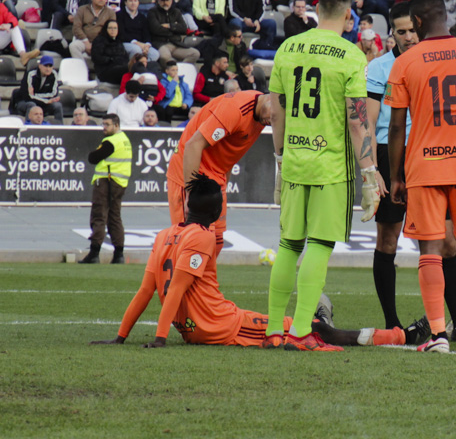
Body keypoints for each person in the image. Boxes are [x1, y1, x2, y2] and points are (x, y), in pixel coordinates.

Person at [91, 174, 419, 349]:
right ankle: (400, 336)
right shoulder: (202, 236)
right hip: (224, 325)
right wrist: (160, 339)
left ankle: (342, 320)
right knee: (312, 332)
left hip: (194, 332)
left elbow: (146, 291)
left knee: (312, 330)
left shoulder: (164, 235)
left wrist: (121, 337)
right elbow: (175, 290)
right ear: (217, 212)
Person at [265, 0, 381, 351]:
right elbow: (356, 122)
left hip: (295, 162)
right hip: (330, 167)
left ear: (316, 9)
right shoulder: (350, 56)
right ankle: (300, 333)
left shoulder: (287, 48)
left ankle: (272, 330)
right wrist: (368, 176)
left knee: (287, 244)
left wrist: (280, 162)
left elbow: (276, 113)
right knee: (318, 244)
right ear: (348, 15)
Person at [386, 0, 456, 354]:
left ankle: (438, 336)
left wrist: (397, 176)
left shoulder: (405, 61)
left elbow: (396, 127)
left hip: (424, 166)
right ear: (446, 17)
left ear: (416, 22)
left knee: (430, 249)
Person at [365, 2, 419, 330]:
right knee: (388, 238)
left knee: (447, 240)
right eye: (402, 31)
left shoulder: (432, 62)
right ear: (391, 35)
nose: (409, 37)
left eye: (413, 30)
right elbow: (368, 123)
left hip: (428, 152)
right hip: (388, 153)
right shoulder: (378, 68)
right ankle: (392, 322)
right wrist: (372, 169)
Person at [166, 90, 271, 251]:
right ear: (271, 98)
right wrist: (191, 193)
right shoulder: (236, 109)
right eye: (275, 115)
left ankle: (204, 277)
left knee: (215, 243)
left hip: (215, 180)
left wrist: (222, 189)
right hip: (192, 177)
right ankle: (177, 276)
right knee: (191, 244)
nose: (273, 122)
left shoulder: (264, 115)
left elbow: (229, 156)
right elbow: (193, 145)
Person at [79, 114, 131, 264]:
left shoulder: (111, 141)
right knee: (115, 217)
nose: (104, 128)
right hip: (119, 182)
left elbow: (93, 158)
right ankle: (119, 254)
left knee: (99, 215)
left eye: (107, 124)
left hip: (106, 181)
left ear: (116, 125)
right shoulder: (125, 140)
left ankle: (94, 253)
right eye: (103, 124)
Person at [16, 54, 63, 122]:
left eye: (50, 66)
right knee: (32, 105)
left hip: (43, 103)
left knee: (57, 105)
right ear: (40, 66)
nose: (48, 69)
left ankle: (60, 128)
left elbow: (54, 94)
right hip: (25, 102)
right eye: (45, 66)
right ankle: (28, 127)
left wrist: (35, 95)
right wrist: (46, 101)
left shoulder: (54, 74)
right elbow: (27, 96)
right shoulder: (30, 74)